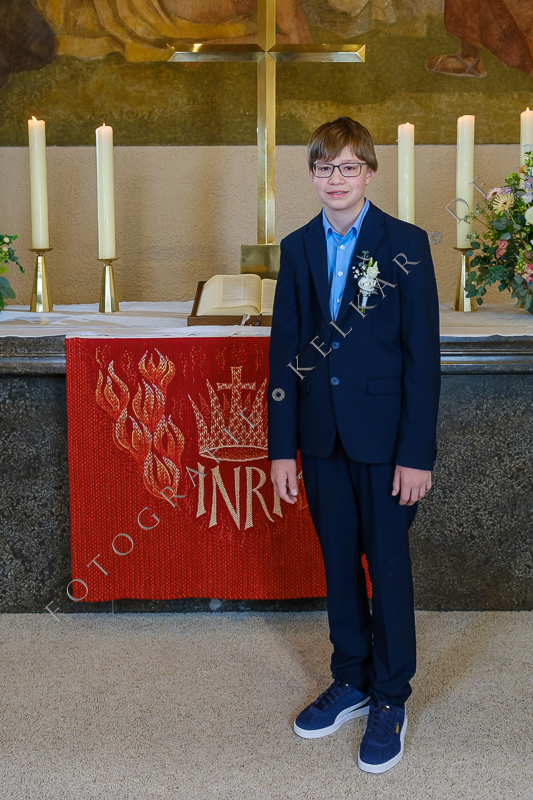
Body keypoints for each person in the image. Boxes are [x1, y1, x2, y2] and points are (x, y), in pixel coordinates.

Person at [267, 116, 441, 774]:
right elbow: (286, 353)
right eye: (323, 167)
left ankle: (390, 695)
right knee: (338, 562)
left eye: (347, 167)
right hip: (320, 439)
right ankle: (352, 678)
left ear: (368, 172)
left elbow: (422, 357)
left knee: (387, 568)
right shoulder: (297, 248)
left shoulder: (405, 244)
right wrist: (281, 448)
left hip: (386, 440)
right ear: (311, 175)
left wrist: (416, 454)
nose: (335, 178)